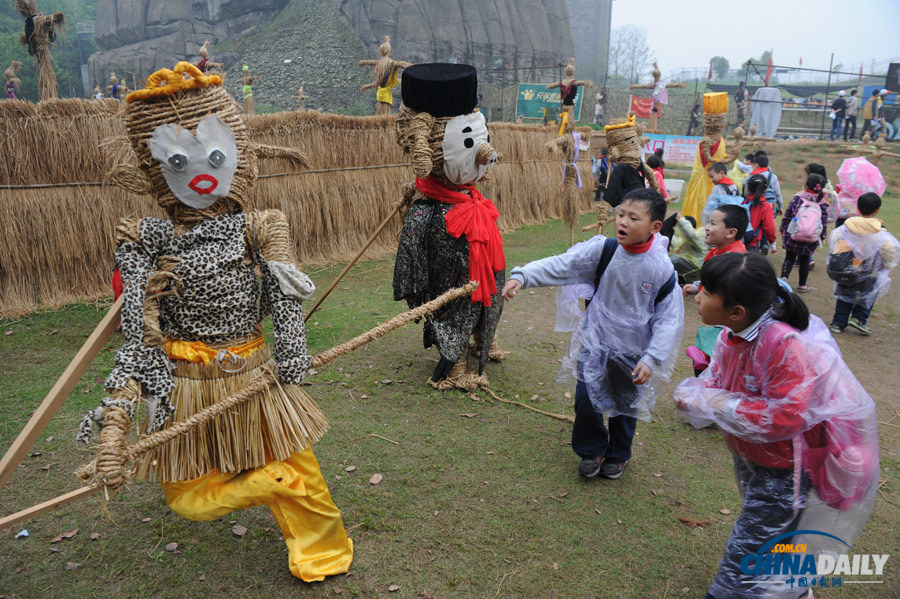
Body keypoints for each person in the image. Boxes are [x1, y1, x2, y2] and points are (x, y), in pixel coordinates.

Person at [675, 252, 879, 599]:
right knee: (779, 537)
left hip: (788, 471)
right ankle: (793, 590)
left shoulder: (783, 345)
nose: (697, 295)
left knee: (747, 548)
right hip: (755, 459)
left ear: (736, 311)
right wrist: (700, 395)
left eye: (707, 292)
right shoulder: (730, 336)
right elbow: (717, 379)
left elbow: (785, 417)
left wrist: (714, 402)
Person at [502, 189, 683, 479]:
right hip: (597, 341)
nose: (622, 222)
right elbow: (563, 265)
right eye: (620, 214)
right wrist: (523, 275)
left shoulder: (661, 269)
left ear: (654, 227)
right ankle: (592, 450)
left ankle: (619, 454)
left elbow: (668, 320)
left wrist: (651, 358)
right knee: (586, 398)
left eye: (633, 218)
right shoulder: (605, 250)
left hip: (634, 351)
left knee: (625, 406)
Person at [682, 204, 748, 375]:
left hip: (726, 324)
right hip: (720, 322)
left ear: (731, 232)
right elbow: (710, 279)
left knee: (718, 362)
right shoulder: (718, 252)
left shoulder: (734, 262)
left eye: (712, 223)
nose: (707, 228)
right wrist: (698, 286)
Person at [828, 192, 900, 335]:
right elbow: (890, 252)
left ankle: (838, 323)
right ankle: (859, 319)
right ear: (877, 210)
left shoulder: (845, 227)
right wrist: (887, 266)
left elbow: (834, 240)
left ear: (858, 208)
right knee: (868, 294)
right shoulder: (879, 233)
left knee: (844, 293)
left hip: (844, 269)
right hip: (867, 272)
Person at [780, 173, 829, 291]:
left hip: (793, 234)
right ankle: (802, 285)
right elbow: (824, 221)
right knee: (805, 259)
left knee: (789, 257)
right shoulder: (822, 203)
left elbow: (788, 215)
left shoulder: (798, 198)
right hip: (811, 238)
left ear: (806, 184)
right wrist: (822, 235)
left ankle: (783, 280)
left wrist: (783, 228)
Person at [662, 212, 706, 284]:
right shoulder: (685, 240)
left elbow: (691, 235)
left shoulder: (701, 237)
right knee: (665, 258)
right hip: (688, 269)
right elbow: (676, 243)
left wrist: (681, 219)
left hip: (696, 270)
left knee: (673, 260)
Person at [743, 174, 777, 255]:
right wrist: (772, 242)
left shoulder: (743, 202)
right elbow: (769, 227)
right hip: (752, 244)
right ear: (765, 188)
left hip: (737, 242)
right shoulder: (765, 206)